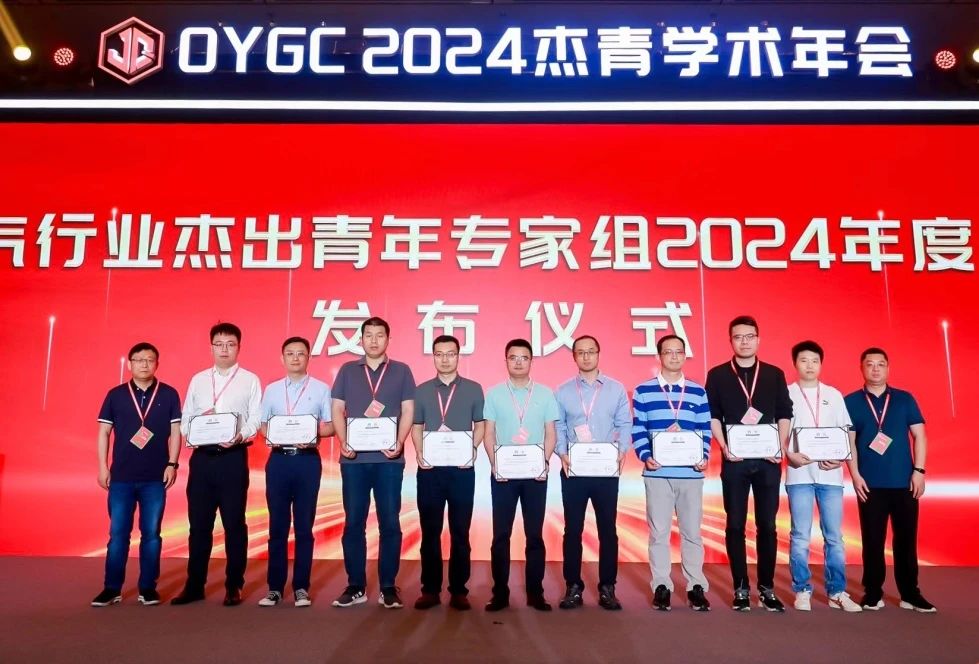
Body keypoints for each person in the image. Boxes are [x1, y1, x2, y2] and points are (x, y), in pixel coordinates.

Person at [705, 315, 792, 612]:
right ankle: (740, 587)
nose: (744, 342)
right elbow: (713, 415)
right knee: (735, 525)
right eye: (738, 337)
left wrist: (780, 446)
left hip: (768, 460)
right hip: (735, 460)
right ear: (730, 340)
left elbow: (784, 413)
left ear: (758, 339)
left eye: (749, 336)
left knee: (768, 525)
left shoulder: (774, 374)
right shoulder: (718, 375)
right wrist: (724, 446)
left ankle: (767, 588)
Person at [172, 322, 262, 607]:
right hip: (202, 460)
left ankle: (234, 585)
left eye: (230, 344)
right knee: (199, 525)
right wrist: (198, 427)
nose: (224, 349)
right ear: (211, 347)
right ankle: (194, 585)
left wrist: (240, 435)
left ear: (239, 347)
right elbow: (185, 420)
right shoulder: (198, 380)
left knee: (234, 524)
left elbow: (256, 419)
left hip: (233, 458)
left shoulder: (250, 380)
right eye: (219, 344)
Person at [331, 317, 416, 610]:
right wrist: (343, 441)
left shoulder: (402, 370)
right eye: (369, 335)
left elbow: (408, 410)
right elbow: (337, 408)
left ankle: (388, 587)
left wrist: (400, 442)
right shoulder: (347, 370)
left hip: (389, 460)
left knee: (389, 522)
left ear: (388, 339)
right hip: (354, 461)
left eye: (380, 335)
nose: (374, 340)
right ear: (361, 339)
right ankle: (356, 586)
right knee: (353, 522)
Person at [845, 348, 935, 613]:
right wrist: (855, 475)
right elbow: (849, 442)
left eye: (881, 364)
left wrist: (919, 471)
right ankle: (873, 593)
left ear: (888, 368)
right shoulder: (851, 402)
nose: (875, 369)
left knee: (906, 540)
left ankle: (910, 594)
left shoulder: (905, 399)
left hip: (905, 483)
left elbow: (920, 435)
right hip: (869, 484)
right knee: (872, 540)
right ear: (861, 368)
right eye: (870, 364)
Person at [91, 342, 181, 607]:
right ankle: (111, 588)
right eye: (139, 359)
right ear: (129, 363)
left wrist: (172, 464)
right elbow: (104, 432)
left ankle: (148, 588)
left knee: (151, 534)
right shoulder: (116, 395)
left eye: (150, 359)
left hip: (155, 478)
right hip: (121, 477)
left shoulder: (169, 394)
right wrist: (103, 467)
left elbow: (176, 432)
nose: (144, 364)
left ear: (157, 364)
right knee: (118, 535)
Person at [632, 334, 712, 612]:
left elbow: (704, 429)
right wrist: (646, 456)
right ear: (659, 356)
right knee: (659, 534)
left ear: (685, 355)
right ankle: (662, 585)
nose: (674, 356)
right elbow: (638, 429)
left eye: (679, 352)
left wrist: (704, 456)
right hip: (658, 474)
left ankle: (696, 586)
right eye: (668, 352)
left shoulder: (697, 392)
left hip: (691, 474)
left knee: (692, 533)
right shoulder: (643, 391)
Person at [554, 335, 631, 611]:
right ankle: (573, 586)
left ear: (599, 354)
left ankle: (607, 587)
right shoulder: (563, 391)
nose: (586, 357)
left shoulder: (616, 389)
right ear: (574, 356)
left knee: (607, 530)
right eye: (581, 352)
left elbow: (624, 423)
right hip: (574, 469)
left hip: (605, 470)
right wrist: (562, 453)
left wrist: (622, 451)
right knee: (572, 530)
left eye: (591, 352)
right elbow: (559, 426)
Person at [784, 341, 862, 612]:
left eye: (814, 361)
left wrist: (841, 457)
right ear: (795, 363)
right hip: (799, 475)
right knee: (800, 536)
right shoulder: (786, 394)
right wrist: (789, 454)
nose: (809, 365)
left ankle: (837, 591)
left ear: (821, 364)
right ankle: (802, 589)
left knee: (834, 537)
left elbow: (846, 432)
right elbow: (780, 433)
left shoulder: (833, 395)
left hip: (831, 476)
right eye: (804, 360)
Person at [257, 336, 334, 608]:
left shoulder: (321, 389)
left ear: (308, 357)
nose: (295, 358)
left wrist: (312, 435)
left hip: (307, 461)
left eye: (301, 353)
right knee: (277, 526)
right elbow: (262, 425)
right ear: (282, 358)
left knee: (304, 527)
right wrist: (273, 436)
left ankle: (301, 587)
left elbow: (331, 425)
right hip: (279, 461)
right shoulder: (272, 390)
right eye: (290, 353)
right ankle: (274, 588)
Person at [483, 339, 559, 612]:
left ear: (531, 361)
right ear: (506, 360)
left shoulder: (545, 394)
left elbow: (551, 434)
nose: (518, 362)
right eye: (513, 357)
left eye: (524, 357)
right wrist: (495, 465)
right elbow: (488, 433)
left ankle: (535, 593)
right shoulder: (494, 394)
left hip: (535, 476)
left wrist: (544, 463)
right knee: (500, 536)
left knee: (534, 536)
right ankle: (499, 593)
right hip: (503, 475)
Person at [410, 334, 485, 611]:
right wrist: (419, 453)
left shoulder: (474, 389)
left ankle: (458, 590)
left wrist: (472, 449)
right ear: (433, 357)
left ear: (458, 356)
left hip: (461, 470)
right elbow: (417, 426)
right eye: (439, 354)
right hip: (430, 470)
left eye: (450, 354)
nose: (445, 359)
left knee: (460, 532)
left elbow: (480, 425)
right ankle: (430, 590)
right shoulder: (421, 390)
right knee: (430, 531)